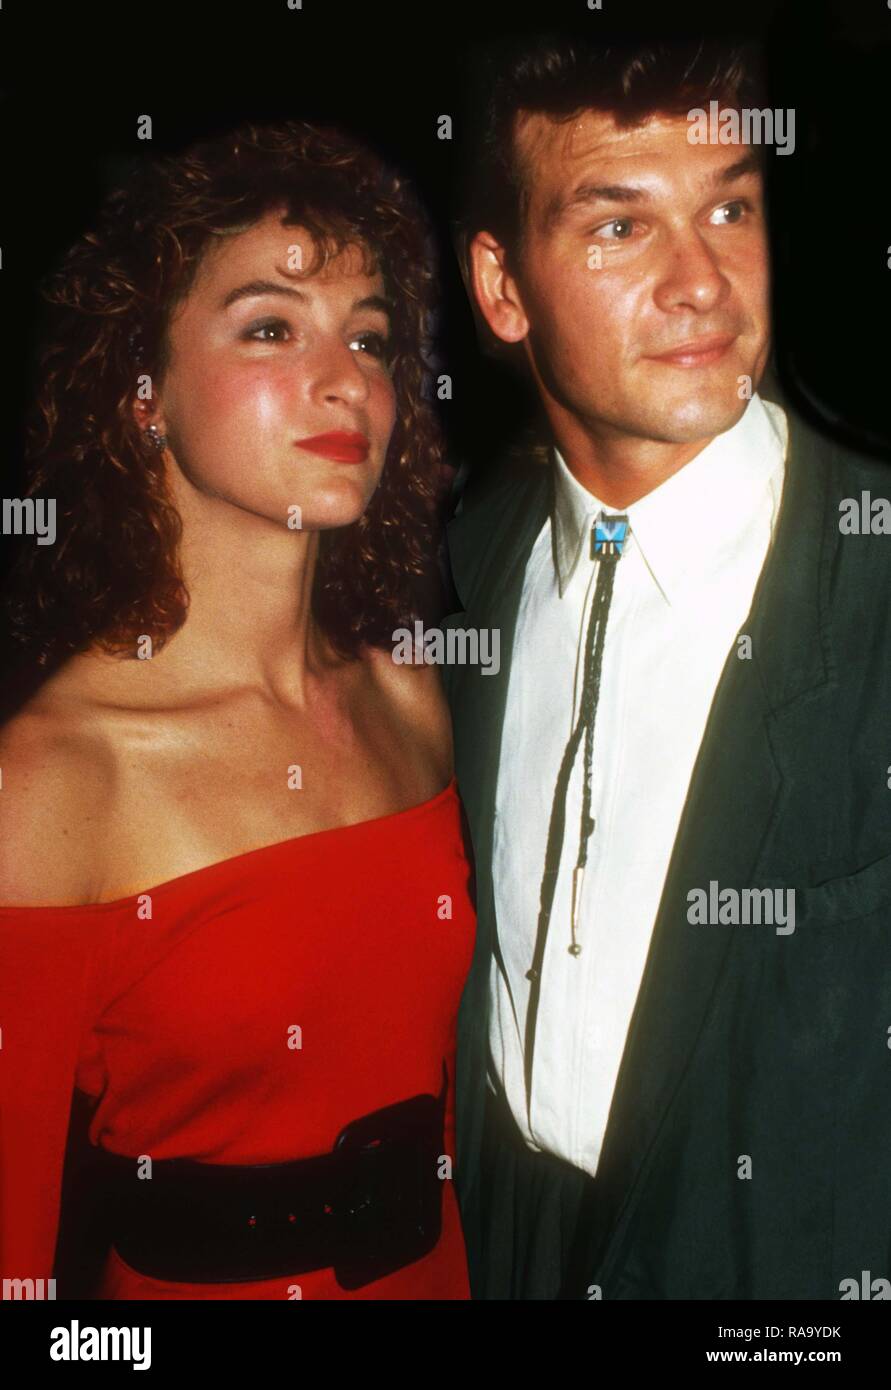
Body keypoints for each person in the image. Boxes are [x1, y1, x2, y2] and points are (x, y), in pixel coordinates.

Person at [445, 34, 891, 1299]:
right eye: (621, 227)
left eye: (730, 207)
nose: (704, 283)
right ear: (502, 287)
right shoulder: (461, 573)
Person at [0, 120, 475, 1300]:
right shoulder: (56, 778)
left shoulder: (412, 697)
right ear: (142, 397)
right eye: (272, 326)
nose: (344, 378)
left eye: (369, 337)